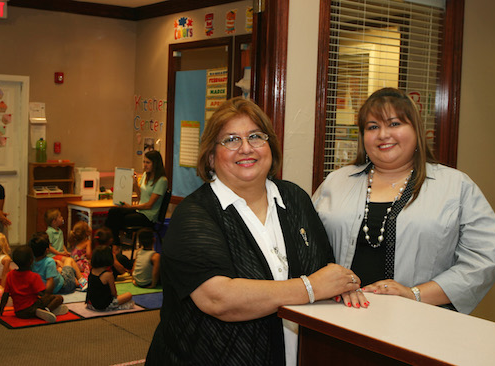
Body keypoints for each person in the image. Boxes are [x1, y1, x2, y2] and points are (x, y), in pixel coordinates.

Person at [146, 97, 363, 366]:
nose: (246, 148)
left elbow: (323, 267)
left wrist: (340, 286)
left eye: (255, 137)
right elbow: (218, 298)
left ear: (270, 146)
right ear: (211, 157)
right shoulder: (194, 214)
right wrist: (311, 287)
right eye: (231, 140)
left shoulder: (295, 198)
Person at [312, 87, 495, 314]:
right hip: (338, 317)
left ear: (416, 130)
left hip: (420, 322)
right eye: (373, 127)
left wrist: (415, 294)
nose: (383, 134)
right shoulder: (336, 181)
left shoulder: (456, 186)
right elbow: (307, 247)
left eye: (394, 124)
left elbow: (482, 260)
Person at [104, 150, 168, 244]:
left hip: (148, 217)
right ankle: (114, 243)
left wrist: (131, 207)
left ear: (155, 164)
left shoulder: (162, 180)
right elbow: (140, 197)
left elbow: (149, 205)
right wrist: (135, 184)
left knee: (117, 220)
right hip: (140, 211)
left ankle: (114, 245)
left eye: (148, 163)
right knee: (113, 212)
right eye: (144, 162)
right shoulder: (146, 175)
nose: (145, 165)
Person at [0, 245, 68, 323]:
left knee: (42, 300)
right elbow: (42, 293)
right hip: (32, 308)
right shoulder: (33, 276)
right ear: (31, 260)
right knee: (59, 298)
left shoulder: (10, 275)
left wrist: (1, 311)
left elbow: (5, 295)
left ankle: (43, 311)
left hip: (19, 312)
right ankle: (46, 310)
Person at [85, 245, 134, 311]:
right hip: (103, 305)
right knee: (128, 295)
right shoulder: (108, 275)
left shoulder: (92, 270)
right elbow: (114, 293)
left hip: (90, 304)